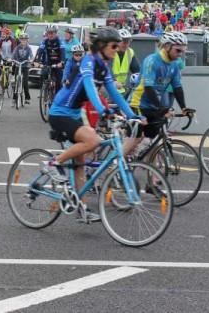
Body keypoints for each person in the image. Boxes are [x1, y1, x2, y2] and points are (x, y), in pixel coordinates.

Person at [45, 27, 144, 223]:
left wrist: (134, 116)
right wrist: (103, 111)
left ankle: (80, 208)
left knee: (80, 163)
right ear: (101, 46)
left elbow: (113, 92)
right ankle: (53, 164)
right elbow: (90, 87)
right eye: (114, 46)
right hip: (59, 112)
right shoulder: (88, 62)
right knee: (93, 140)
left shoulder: (104, 66)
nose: (118, 49)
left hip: (74, 114)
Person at [129, 31, 193, 153]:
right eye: (178, 50)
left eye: (182, 51)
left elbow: (177, 88)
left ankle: (153, 172)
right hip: (138, 104)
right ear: (167, 46)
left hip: (153, 105)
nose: (180, 54)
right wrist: (161, 108)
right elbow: (148, 88)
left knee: (154, 144)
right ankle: (117, 164)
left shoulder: (174, 64)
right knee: (134, 141)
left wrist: (184, 107)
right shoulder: (152, 60)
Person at [33, 24, 66, 93]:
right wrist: (37, 61)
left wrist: (62, 62)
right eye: (48, 33)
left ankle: (56, 98)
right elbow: (40, 51)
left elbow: (63, 51)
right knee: (43, 74)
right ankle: (45, 89)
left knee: (59, 83)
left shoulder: (60, 40)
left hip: (58, 62)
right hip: (49, 62)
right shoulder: (44, 40)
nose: (50, 35)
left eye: (52, 33)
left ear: (55, 33)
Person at [111, 28, 140, 98]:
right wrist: (113, 81)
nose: (126, 44)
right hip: (109, 88)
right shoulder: (111, 51)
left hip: (122, 89)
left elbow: (137, 69)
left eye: (128, 42)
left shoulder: (130, 52)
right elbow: (106, 69)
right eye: (124, 42)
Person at [11, 32, 34, 106]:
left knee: (25, 82)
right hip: (18, 65)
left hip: (26, 66)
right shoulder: (17, 47)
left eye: (25, 40)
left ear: (27, 40)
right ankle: (14, 99)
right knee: (16, 82)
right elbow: (13, 55)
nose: (23, 41)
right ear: (20, 40)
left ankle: (27, 97)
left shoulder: (29, 48)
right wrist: (10, 59)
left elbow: (31, 56)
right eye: (22, 40)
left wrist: (31, 60)